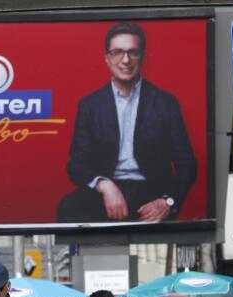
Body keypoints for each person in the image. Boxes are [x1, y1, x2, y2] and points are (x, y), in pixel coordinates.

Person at [57, 21, 197, 223]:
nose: (125, 60)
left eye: (133, 52)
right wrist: (104, 185)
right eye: (117, 52)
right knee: (68, 207)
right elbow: (77, 165)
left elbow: (187, 164)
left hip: (152, 193)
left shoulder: (165, 102)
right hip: (106, 191)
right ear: (107, 58)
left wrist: (168, 202)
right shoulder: (90, 105)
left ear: (142, 57)